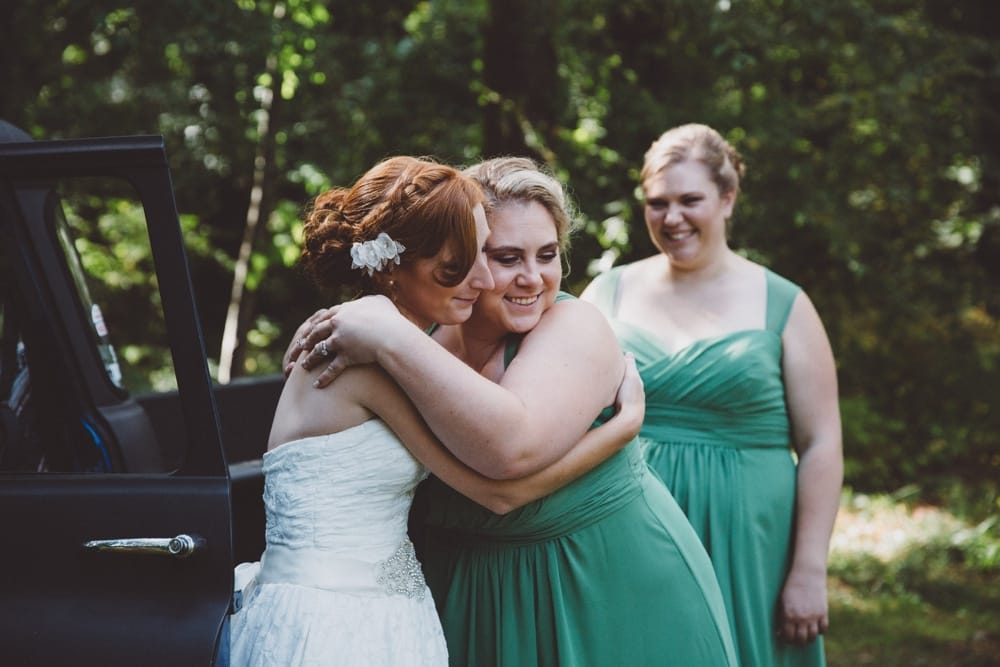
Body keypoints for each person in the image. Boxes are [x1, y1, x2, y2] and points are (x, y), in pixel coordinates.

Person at [290, 157, 738, 666]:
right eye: (506, 257)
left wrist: (386, 333)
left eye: (547, 255)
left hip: (603, 583)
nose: (532, 278)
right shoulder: (421, 334)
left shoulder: (575, 326)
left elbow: (509, 450)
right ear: (463, 257)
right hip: (465, 592)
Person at [229, 156, 645, 666]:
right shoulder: (372, 355)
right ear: (394, 265)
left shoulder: (379, 339)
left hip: (368, 605)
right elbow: (495, 489)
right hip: (336, 620)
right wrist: (621, 429)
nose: (478, 279)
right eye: (459, 264)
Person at [581, 123, 844, 667]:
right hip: (628, 524)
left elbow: (821, 442)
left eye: (689, 200)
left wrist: (809, 569)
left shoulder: (784, 303)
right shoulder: (609, 293)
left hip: (749, 539)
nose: (671, 218)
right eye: (657, 203)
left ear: (727, 199)